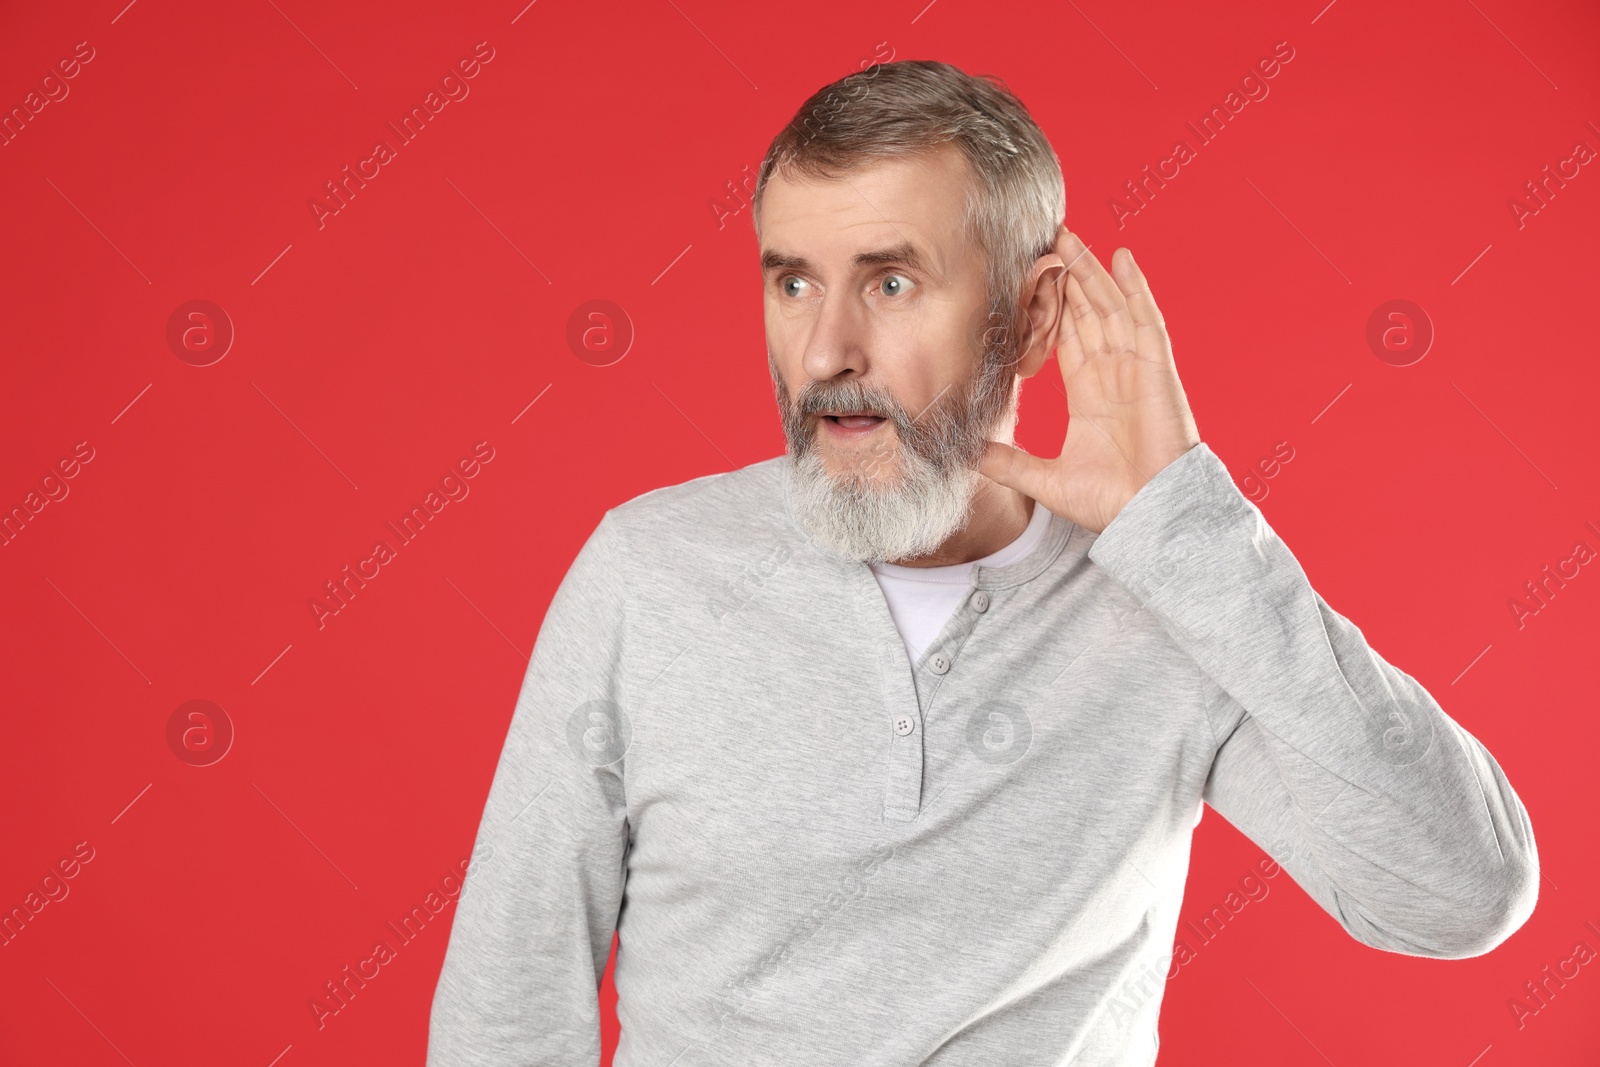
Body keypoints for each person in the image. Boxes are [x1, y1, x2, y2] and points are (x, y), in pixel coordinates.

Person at [426, 59, 1538, 1066]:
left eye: (892, 282)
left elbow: (1456, 892)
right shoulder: (647, 571)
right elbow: (507, 998)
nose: (823, 353)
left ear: (1034, 314)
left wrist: (1186, 526)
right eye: (792, 282)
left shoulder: (1169, 592)